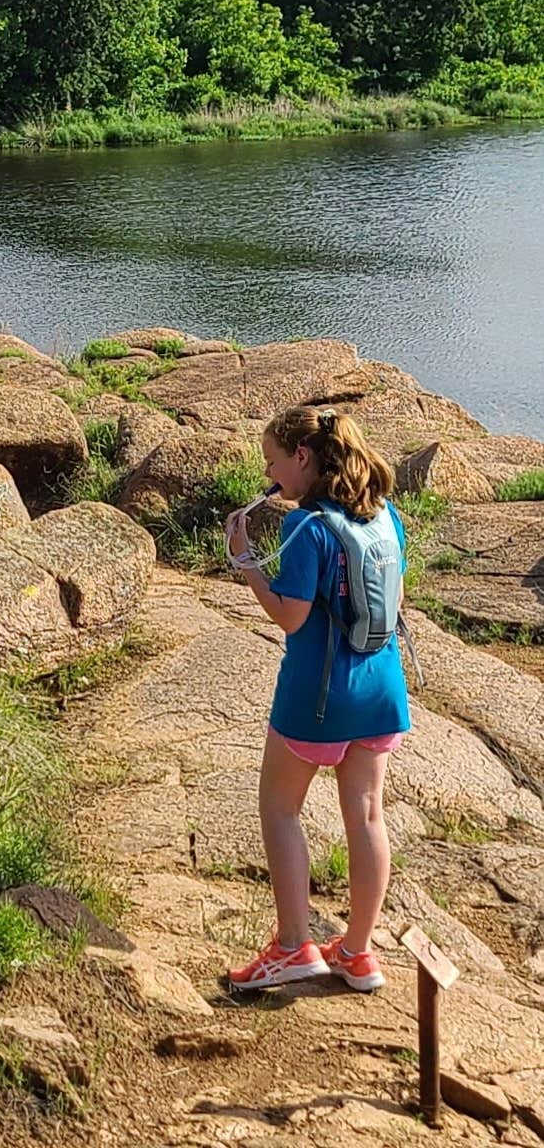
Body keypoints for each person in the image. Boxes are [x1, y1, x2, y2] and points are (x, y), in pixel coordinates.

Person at [223, 405, 411, 995]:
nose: (270, 477)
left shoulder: (304, 528)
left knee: (280, 810)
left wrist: (246, 562)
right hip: (382, 691)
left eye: (273, 464)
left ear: (301, 458)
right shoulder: (387, 516)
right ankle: (357, 952)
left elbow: (290, 617)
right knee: (368, 816)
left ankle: (292, 947)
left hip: (318, 698)